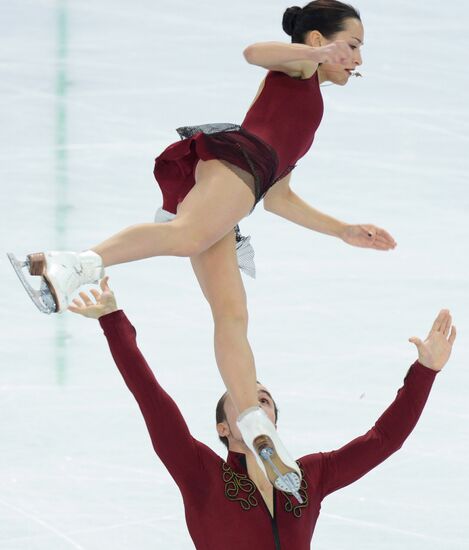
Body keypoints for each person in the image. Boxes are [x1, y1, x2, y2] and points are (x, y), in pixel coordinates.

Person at [9, 1, 397, 493]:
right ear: (320, 40)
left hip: (247, 188)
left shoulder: (310, 99)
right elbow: (253, 51)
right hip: (234, 166)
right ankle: (61, 266)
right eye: (354, 45)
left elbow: (278, 197)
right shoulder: (301, 64)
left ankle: (257, 429)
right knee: (187, 235)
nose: (358, 58)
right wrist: (316, 53)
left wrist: (342, 229)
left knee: (232, 316)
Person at [69, 278, 456, 550]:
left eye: (264, 398)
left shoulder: (310, 478)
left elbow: (384, 440)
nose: (254, 397)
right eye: (240, 394)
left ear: (273, 420)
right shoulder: (201, 475)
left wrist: (426, 372)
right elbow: (150, 398)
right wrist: (113, 322)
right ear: (223, 427)